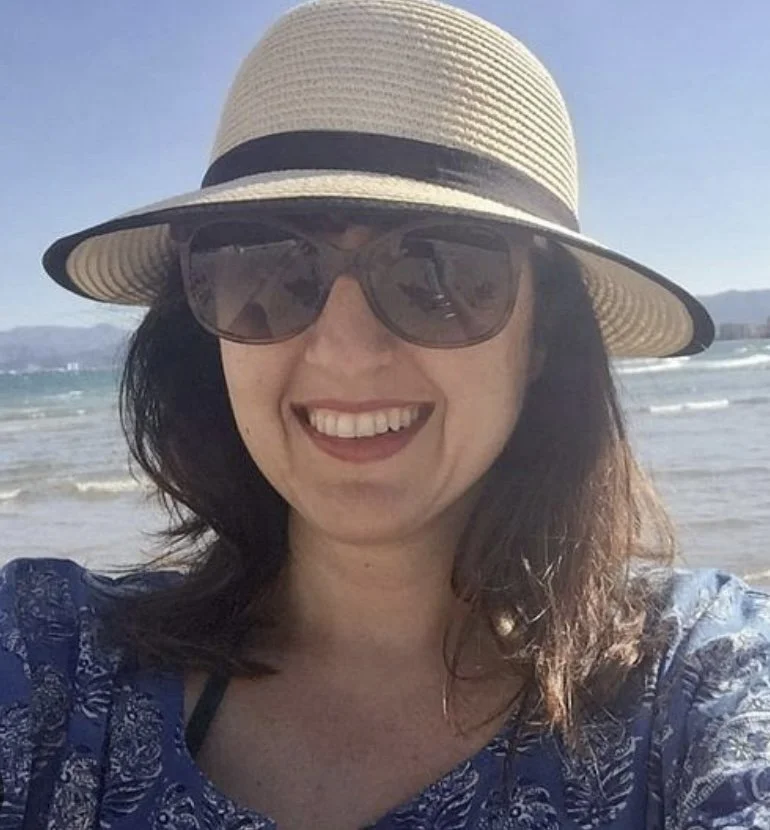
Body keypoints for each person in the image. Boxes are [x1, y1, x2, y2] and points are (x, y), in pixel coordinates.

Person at [1, 0, 768, 827]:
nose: (345, 353)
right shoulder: (49, 665)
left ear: (544, 334)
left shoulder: (693, 689)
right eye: (265, 267)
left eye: (438, 272)